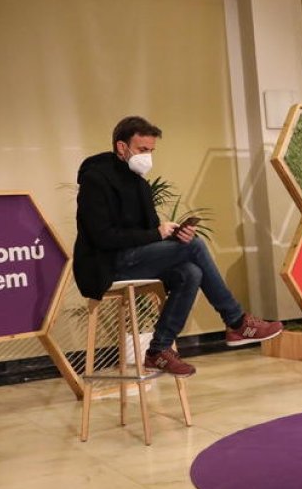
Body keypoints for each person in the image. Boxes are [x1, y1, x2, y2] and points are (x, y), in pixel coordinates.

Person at [73, 116, 282, 376]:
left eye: (151, 151)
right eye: (142, 150)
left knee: (190, 272)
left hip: (134, 259)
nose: (147, 156)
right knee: (194, 246)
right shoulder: (96, 180)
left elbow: (150, 234)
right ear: (121, 147)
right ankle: (236, 320)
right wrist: (158, 234)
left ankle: (158, 350)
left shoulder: (140, 183)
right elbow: (102, 237)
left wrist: (174, 236)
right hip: (105, 264)